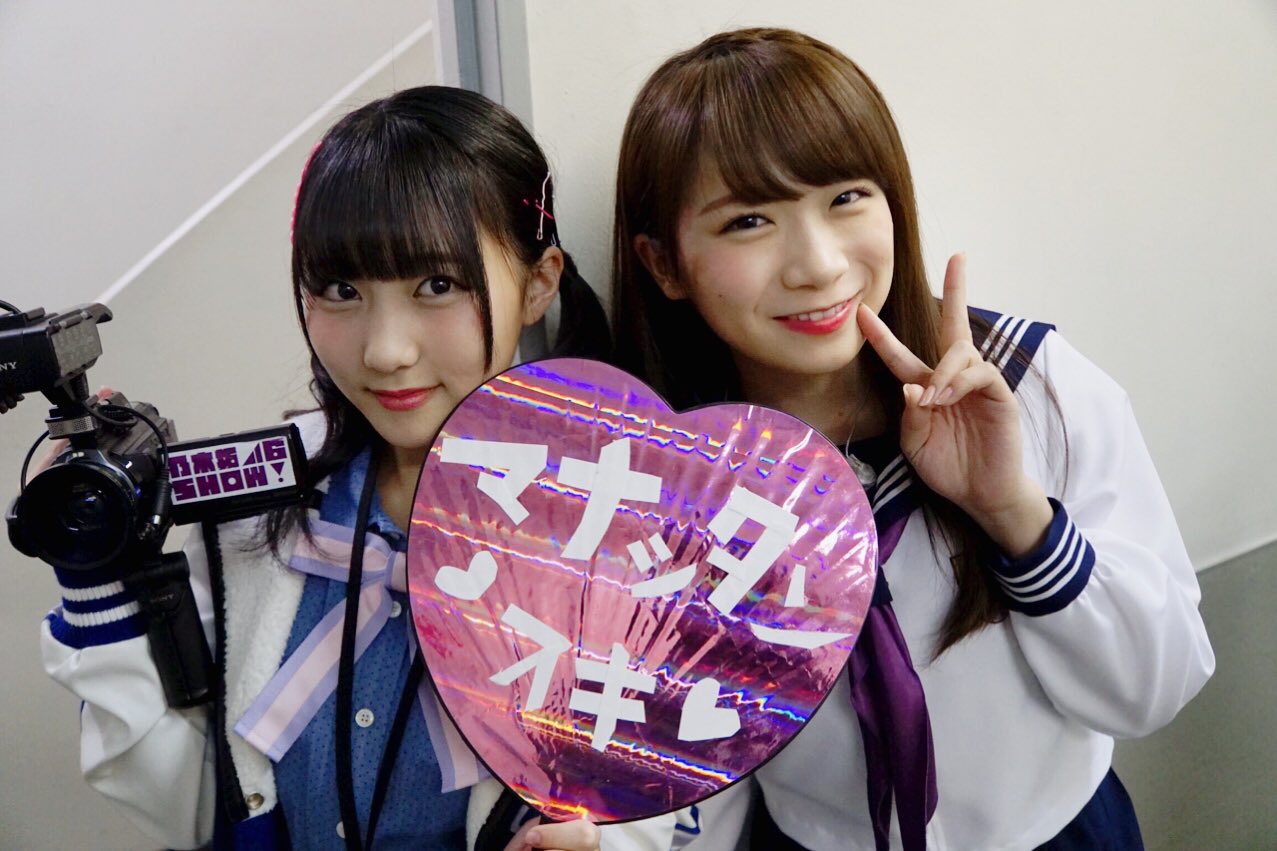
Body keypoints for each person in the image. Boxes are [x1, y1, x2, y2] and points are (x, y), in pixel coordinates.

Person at [611, 28, 1214, 851]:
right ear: (663, 264)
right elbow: (689, 770)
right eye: (749, 220)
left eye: (845, 198)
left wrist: (1014, 513)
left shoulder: (1026, 383)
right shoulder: (657, 484)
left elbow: (1158, 687)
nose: (818, 264)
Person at [37, 85, 669, 851]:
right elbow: (188, 810)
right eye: (341, 290)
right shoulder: (254, 506)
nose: (384, 350)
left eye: (436, 285)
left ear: (538, 282)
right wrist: (97, 582)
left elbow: (679, 796)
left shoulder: (618, 519)